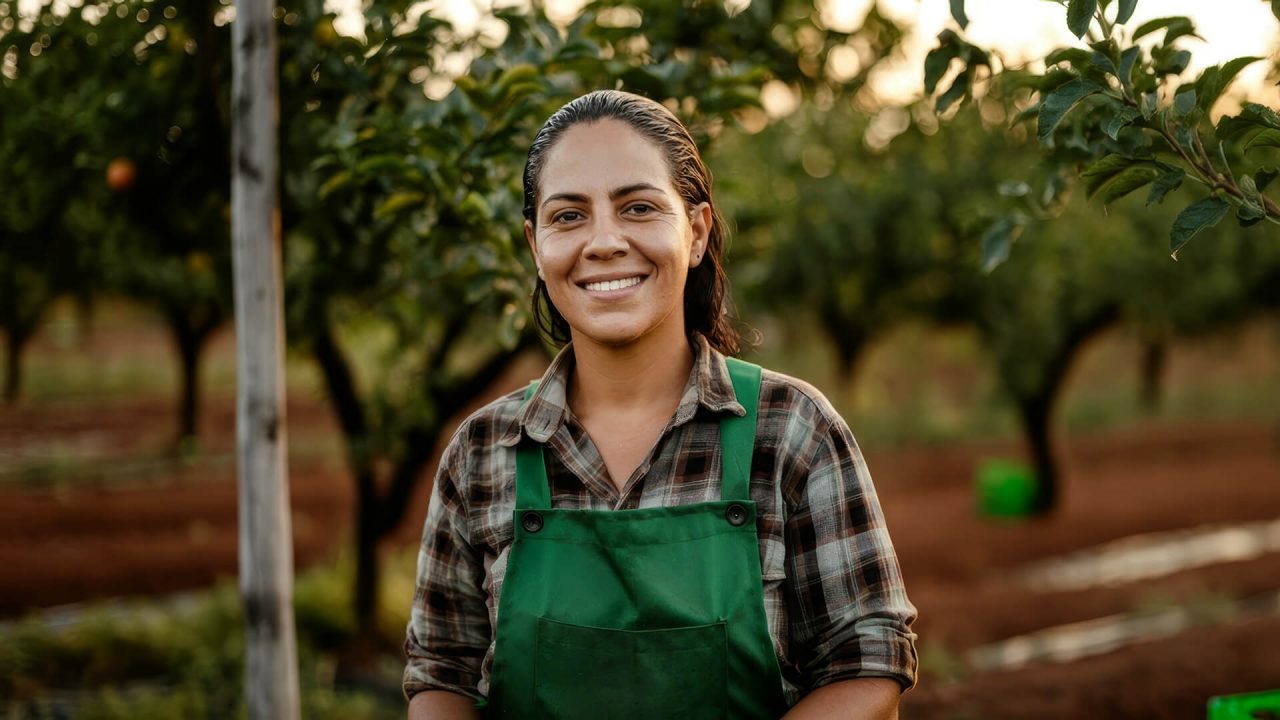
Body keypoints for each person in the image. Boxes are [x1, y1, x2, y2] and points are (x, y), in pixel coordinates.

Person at [403, 89, 917, 719]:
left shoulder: (791, 430)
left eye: (638, 207)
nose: (604, 242)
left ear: (696, 231)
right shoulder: (483, 451)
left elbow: (869, 667)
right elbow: (441, 675)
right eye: (568, 216)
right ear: (536, 247)